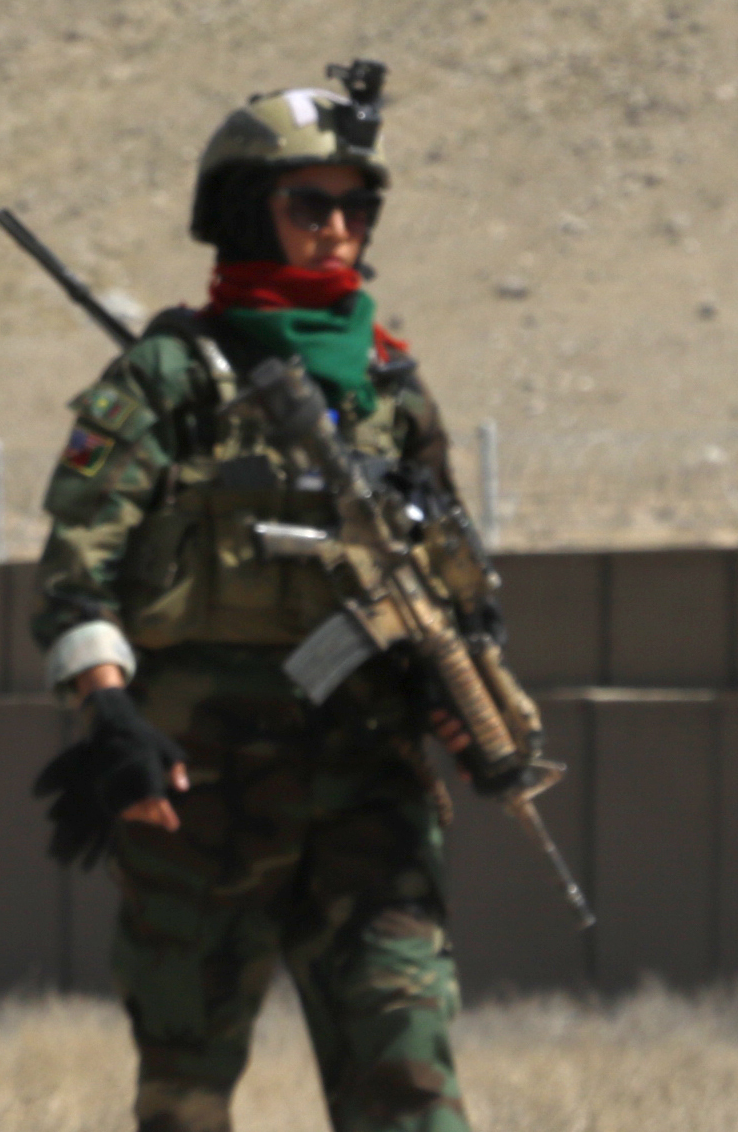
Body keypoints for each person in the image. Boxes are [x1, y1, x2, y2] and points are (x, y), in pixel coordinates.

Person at [29, 75, 477, 1132]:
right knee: (184, 1095)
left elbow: (451, 567)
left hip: (370, 789)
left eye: (356, 209)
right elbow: (73, 570)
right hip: (201, 797)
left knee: (409, 1079)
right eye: (307, 205)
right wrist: (111, 716)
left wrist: (466, 681)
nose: (337, 231)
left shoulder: (389, 389)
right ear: (243, 210)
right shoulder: (169, 379)